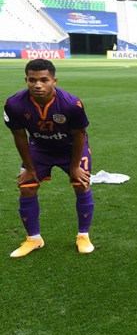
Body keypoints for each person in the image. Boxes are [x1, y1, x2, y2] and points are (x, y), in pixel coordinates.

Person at [4, 59, 95, 257]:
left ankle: (83, 236)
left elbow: (80, 135)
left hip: (71, 149)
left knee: (81, 183)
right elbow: (19, 136)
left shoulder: (72, 104)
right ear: (26, 80)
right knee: (27, 188)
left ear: (54, 80)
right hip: (40, 148)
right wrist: (29, 167)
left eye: (44, 80)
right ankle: (34, 239)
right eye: (32, 80)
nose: (37, 85)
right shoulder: (14, 104)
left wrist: (74, 166)